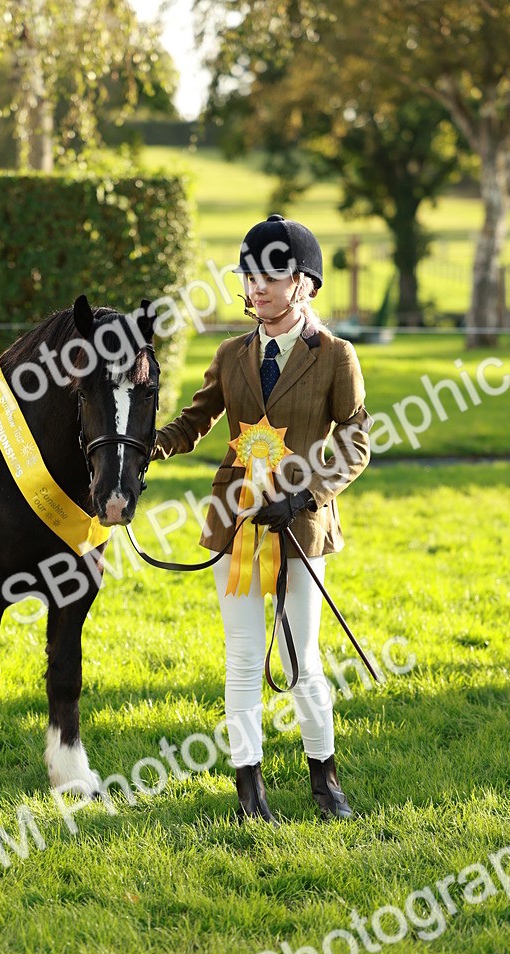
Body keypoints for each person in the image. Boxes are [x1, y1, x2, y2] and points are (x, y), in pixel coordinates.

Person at [150, 214, 372, 823]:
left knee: (303, 660)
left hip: (301, 528)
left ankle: (324, 780)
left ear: (305, 284)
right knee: (244, 658)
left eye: (270, 276)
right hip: (235, 521)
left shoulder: (335, 356)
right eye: (249, 276)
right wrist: (142, 446)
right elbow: (193, 423)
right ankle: (249, 794)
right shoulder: (230, 354)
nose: (257, 288)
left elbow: (356, 445)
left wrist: (306, 497)